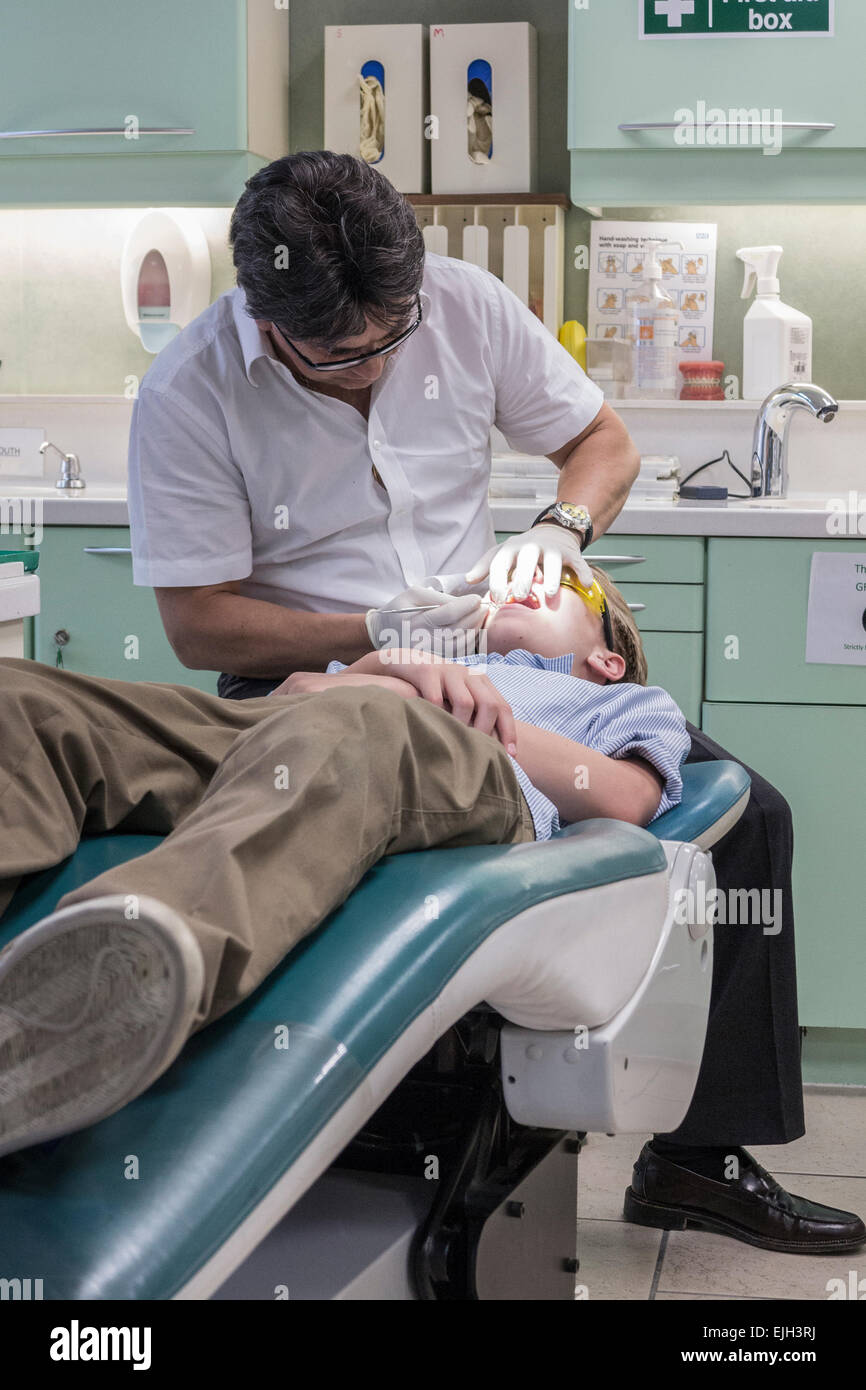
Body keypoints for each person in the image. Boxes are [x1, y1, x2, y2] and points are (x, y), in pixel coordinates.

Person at [0, 568, 862, 1255]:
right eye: (509, 583)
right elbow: (289, 702)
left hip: (455, 774)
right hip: (279, 736)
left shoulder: (620, 703)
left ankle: (109, 985)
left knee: (367, 725)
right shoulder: (405, 667)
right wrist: (379, 668)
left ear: (606, 655)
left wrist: (451, 711)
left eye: (571, 588)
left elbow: (630, 797)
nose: (527, 583)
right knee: (24, 703)